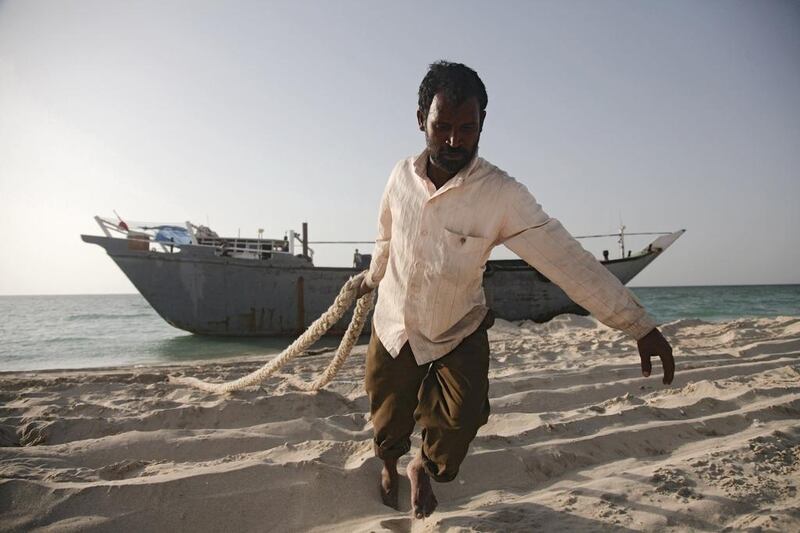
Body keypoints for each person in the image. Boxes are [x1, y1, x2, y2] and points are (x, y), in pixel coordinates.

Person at [356, 61, 675, 520]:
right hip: (392, 325)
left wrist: (638, 324)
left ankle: (422, 467)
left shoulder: (501, 194)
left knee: (460, 426)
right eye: (441, 126)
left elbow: (565, 258)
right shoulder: (398, 177)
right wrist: (372, 277)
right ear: (421, 118)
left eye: (467, 128)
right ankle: (390, 464)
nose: (453, 140)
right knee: (386, 421)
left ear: (482, 125)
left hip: (456, 329)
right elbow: (386, 236)